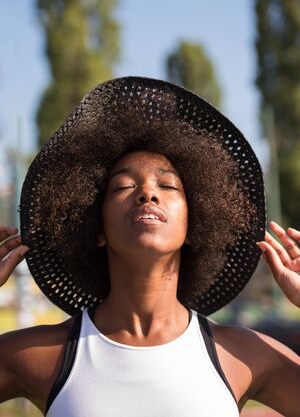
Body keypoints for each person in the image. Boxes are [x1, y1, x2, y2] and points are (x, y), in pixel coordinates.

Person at [0, 76, 299, 416]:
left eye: (168, 186)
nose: (147, 192)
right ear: (95, 229)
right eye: (123, 186)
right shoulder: (42, 354)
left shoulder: (242, 354)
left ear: (194, 225)